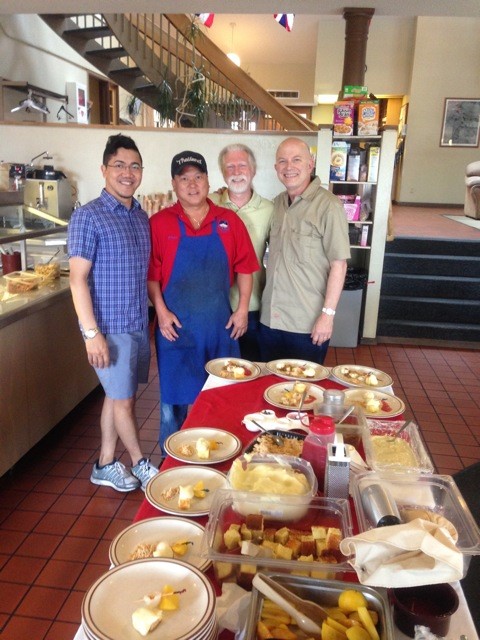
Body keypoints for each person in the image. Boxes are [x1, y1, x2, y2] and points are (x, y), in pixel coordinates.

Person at [148, 151, 259, 456]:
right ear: (174, 183)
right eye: (184, 178)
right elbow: (152, 277)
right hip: (176, 330)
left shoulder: (229, 221)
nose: (192, 184)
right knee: (174, 405)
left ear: (209, 181)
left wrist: (241, 310)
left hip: (218, 328)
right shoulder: (159, 223)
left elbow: (245, 268)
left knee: (220, 397)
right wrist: (161, 311)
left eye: (198, 177)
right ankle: (172, 462)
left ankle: (221, 458)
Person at [68, 134, 159, 492]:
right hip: (109, 328)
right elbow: (77, 281)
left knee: (118, 396)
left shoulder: (139, 215)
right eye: (119, 165)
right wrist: (92, 334)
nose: (127, 172)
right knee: (123, 401)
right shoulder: (88, 216)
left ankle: (105, 463)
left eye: (134, 166)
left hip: (137, 322)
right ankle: (141, 462)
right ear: (104, 170)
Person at [259, 137, 350, 364]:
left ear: (310, 164)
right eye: (282, 161)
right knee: (269, 390)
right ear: (276, 168)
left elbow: (339, 265)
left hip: (306, 324)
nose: (289, 167)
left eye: (296, 160)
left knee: (303, 393)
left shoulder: (329, 205)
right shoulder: (277, 204)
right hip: (270, 318)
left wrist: (327, 317)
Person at [209, 143, 273, 361]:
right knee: (216, 374)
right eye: (230, 167)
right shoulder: (207, 203)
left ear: (253, 170)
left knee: (250, 371)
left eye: (242, 166)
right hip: (213, 307)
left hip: (252, 307)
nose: (236, 172)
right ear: (222, 172)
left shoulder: (270, 209)